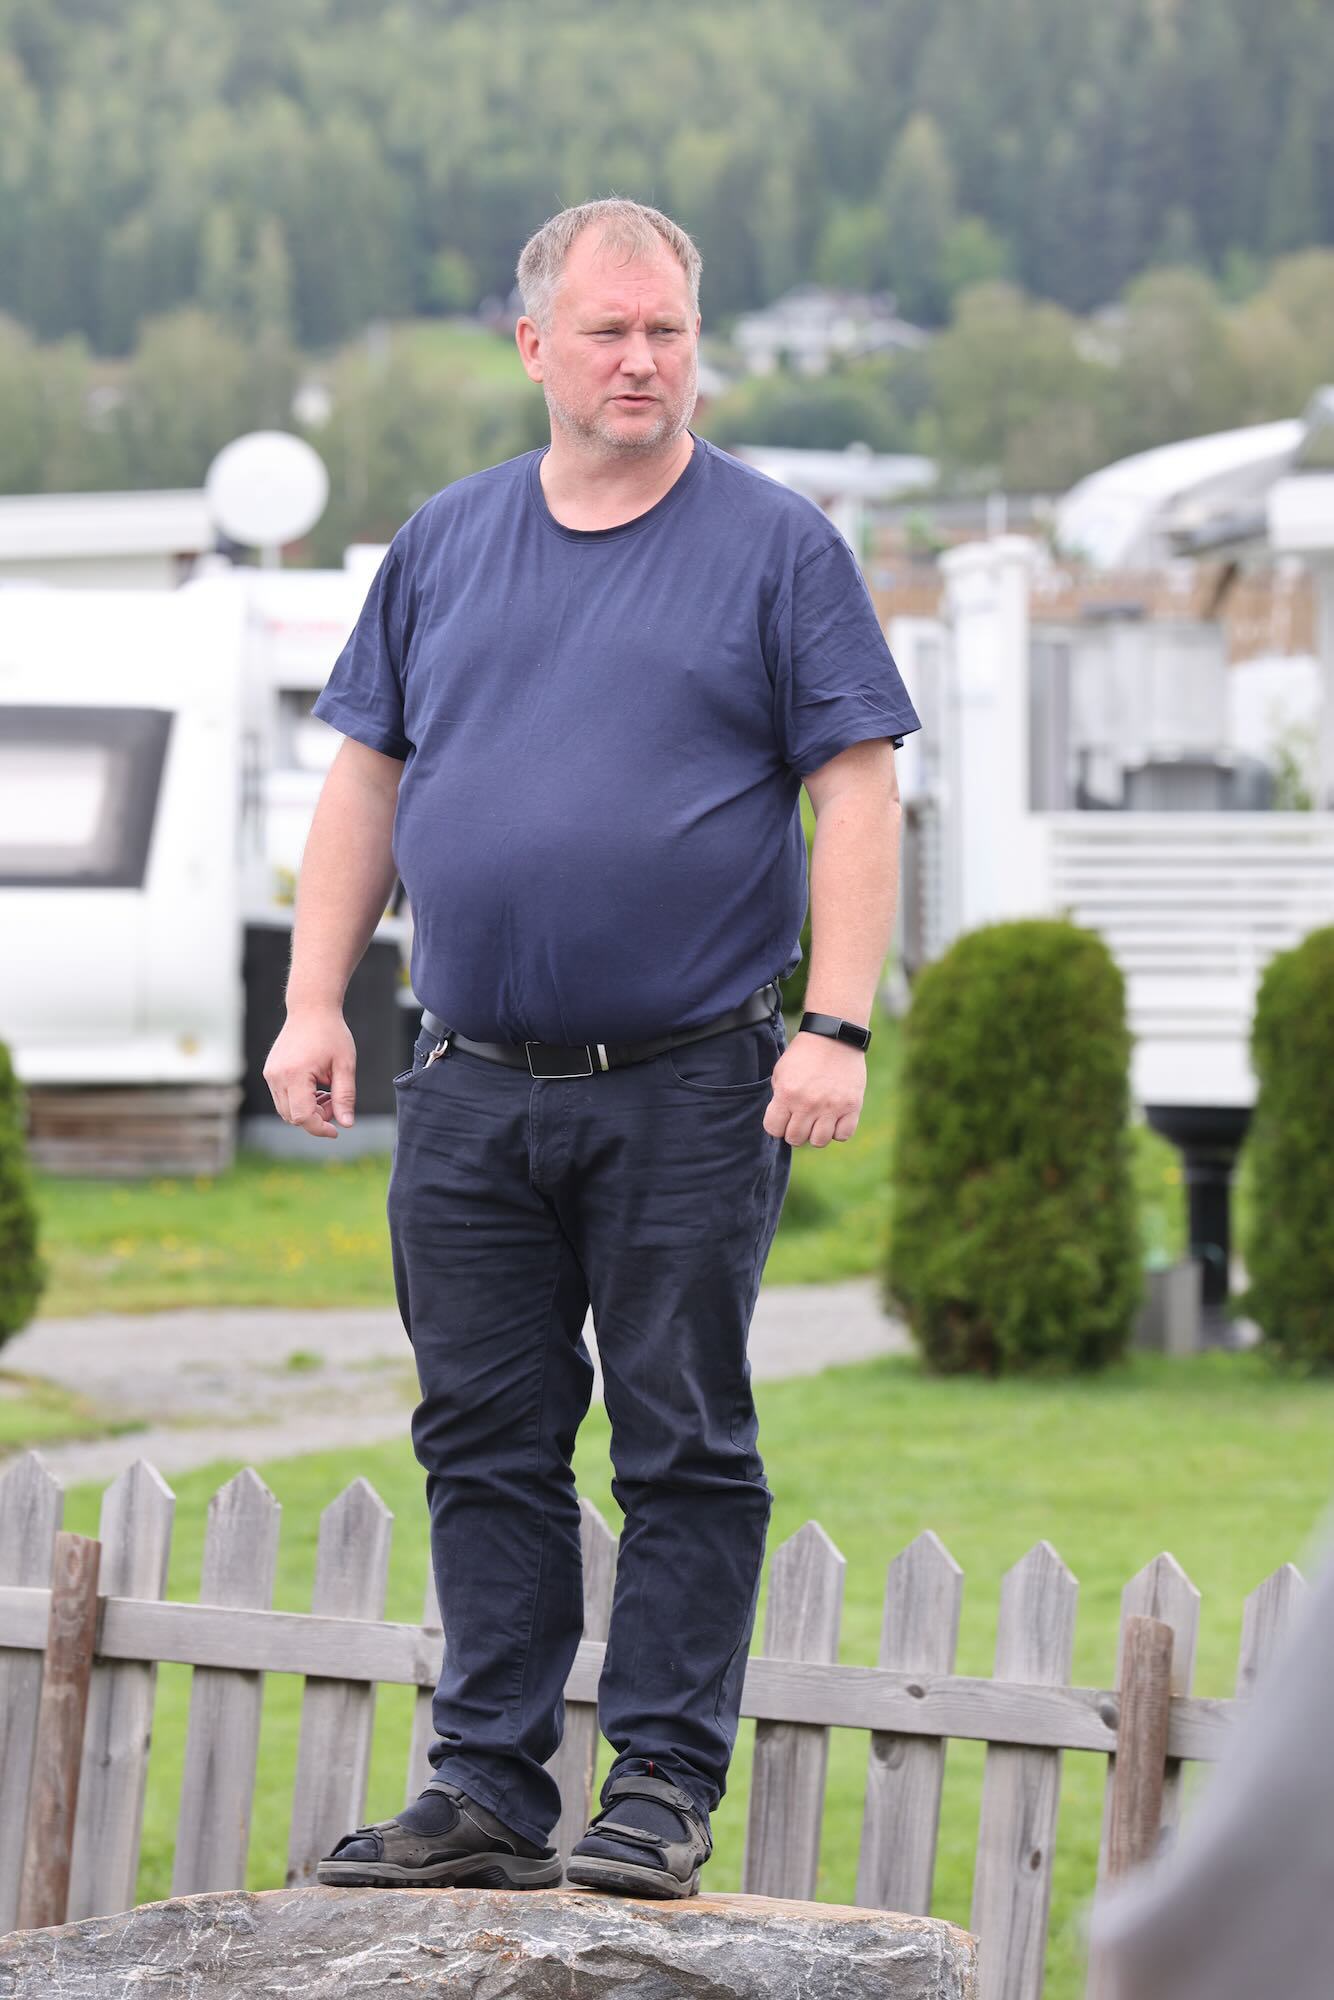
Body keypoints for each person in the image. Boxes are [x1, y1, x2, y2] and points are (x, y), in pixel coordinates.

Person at [263, 196, 921, 1900]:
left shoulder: (776, 547)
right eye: (609, 330)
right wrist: (316, 999)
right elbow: (368, 779)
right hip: (467, 1082)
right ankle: (487, 1788)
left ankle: (659, 1793)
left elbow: (856, 791)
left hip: (693, 1081)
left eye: (668, 332)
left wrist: (835, 1024)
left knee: (681, 1441)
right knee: (480, 1439)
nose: (642, 361)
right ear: (533, 345)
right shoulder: (446, 541)